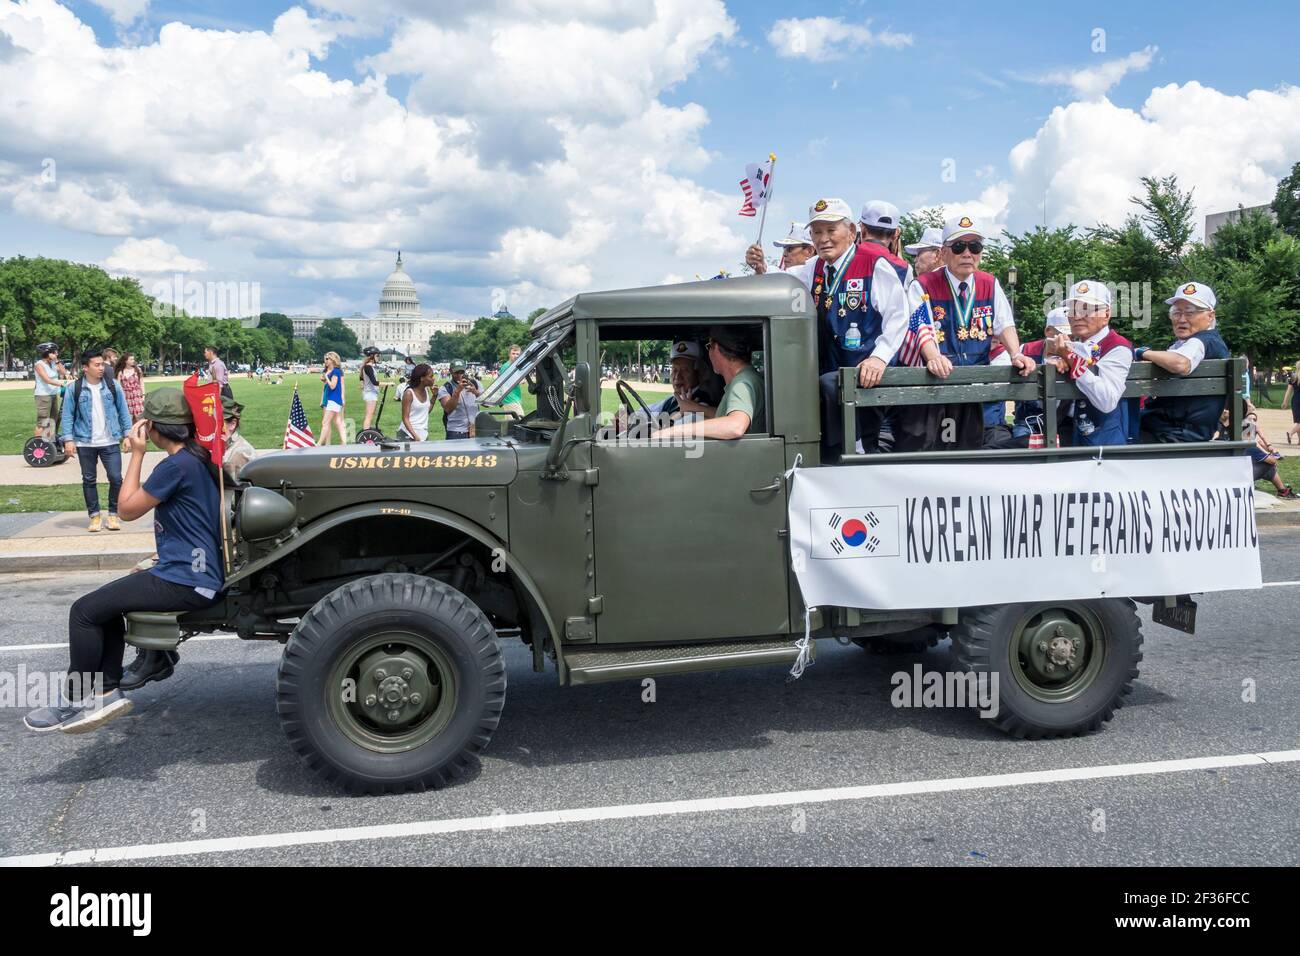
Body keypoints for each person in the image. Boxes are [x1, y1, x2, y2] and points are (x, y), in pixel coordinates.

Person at [25, 389, 224, 728]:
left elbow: (127, 509)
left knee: (83, 612)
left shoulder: (175, 466)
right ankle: (105, 694)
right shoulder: (198, 458)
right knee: (105, 609)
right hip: (190, 572)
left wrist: (136, 454)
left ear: (153, 427)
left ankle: (73, 700)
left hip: (186, 579)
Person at [745, 197, 910, 462]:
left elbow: (898, 316)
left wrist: (879, 358)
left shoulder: (873, 264)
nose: (823, 239)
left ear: (852, 232)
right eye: (817, 232)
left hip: (866, 374)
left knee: (829, 391)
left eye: (831, 230)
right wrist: (761, 268)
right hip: (831, 372)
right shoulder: (814, 267)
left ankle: (855, 453)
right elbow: (781, 284)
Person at [901, 214, 1036, 451]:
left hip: (976, 390)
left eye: (975, 246)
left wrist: (1016, 354)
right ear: (943, 253)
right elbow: (920, 325)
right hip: (937, 388)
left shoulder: (989, 283)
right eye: (959, 246)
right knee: (935, 453)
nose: (967, 253)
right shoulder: (922, 285)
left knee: (974, 453)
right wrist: (933, 356)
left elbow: (1004, 324)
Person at [1042, 281, 1134, 446]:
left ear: (1106, 315)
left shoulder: (1118, 347)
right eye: (1073, 310)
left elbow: (1107, 401)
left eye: (1087, 309)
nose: (1077, 316)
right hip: (1067, 432)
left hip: (1100, 443)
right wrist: (1056, 359)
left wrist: (1070, 358)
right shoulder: (1074, 344)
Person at [1136, 282, 1229, 443]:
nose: (1182, 319)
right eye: (1176, 312)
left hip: (1174, 433)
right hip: (1175, 429)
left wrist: (1142, 352)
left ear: (1210, 316)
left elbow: (1181, 364)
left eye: (1190, 313)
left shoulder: (1200, 342)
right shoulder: (1196, 342)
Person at [61, 347, 133, 533]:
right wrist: (68, 440)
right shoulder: (74, 388)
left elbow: (123, 411)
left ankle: (113, 513)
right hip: (85, 442)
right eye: (97, 365)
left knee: (116, 478)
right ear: (86, 367)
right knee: (89, 479)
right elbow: (67, 416)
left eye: (102, 364)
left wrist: (127, 435)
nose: (102, 368)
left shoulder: (112, 385)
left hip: (110, 440)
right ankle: (94, 516)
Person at [655, 326, 764, 440]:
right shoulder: (748, 377)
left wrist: (674, 431)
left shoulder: (741, 384)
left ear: (715, 348)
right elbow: (725, 416)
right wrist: (694, 407)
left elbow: (735, 426)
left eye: (709, 347)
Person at [1215, 407, 1297, 499]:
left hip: (1224, 472)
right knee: (1268, 466)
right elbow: (1272, 461)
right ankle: (1283, 491)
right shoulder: (1249, 444)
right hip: (1236, 476)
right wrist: (1271, 453)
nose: (1253, 422)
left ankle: (1282, 490)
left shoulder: (1228, 435)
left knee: (1261, 461)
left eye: (1255, 420)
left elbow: (1262, 440)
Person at [33, 342, 69, 439]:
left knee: (53, 419)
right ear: (48, 353)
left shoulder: (53, 363)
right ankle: (38, 444)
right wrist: (63, 384)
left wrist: (57, 361)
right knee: (43, 421)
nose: (57, 354)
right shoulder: (39, 365)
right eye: (55, 352)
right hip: (43, 396)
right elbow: (47, 380)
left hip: (53, 395)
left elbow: (63, 372)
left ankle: (49, 442)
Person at [439, 361, 481, 440]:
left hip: (475, 429)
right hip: (455, 431)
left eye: (462, 372)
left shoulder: (476, 383)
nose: (459, 375)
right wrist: (457, 391)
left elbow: (487, 404)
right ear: (451, 371)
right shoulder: (446, 388)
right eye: (456, 372)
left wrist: (476, 392)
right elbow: (448, 409)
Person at [221, 395, 256, 482]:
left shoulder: (240, 453)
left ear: (232, 424)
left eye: (217, 422)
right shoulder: (223, 446)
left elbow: (231, 492)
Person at [398, 363, 434, 441]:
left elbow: (425, 412)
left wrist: (434, 396)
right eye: (431, 376)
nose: (433, 379)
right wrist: (415, 436)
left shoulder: (426, 390)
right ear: (422, 378)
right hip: (408, 434)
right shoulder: (409, 393)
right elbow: (405, 418)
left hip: (423, 434)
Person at [318, 351, 345, 444]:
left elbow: (341, 385)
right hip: (327, 395)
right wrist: (322, 399)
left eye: (327, 359)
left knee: (336, 420)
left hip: (335, 397)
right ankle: (327, 443)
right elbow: (325, 386)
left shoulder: (337, 371)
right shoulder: (325, 370)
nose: (325, 361)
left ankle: (343, 442)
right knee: (327, 421)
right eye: (325, 359)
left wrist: (342, 397)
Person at [116, 351, 146, 421]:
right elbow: (118, 387)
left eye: (133, 359)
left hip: (137, 396)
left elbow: (141, 382)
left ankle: (142, 432)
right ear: (126, 361)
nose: (133, 361)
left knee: (140, 418)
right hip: (126, 398)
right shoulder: (121, 372)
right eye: (131, 359)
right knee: (128, 418)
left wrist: (143, 395)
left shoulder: (137, 370)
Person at [497, 344, 526, 418]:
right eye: (513, 353)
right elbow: (502, 383)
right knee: (520, 421)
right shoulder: (506, 367)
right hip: (510, 399)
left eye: (517, 354)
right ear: (509, 354)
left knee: (510, 425)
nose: (515, 356)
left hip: (514, 398)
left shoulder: (514, 366)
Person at [359, 346, 382, 429]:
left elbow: (361, 378)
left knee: (370, 415)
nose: (378, 358)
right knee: (369, 416)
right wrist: (387, 383)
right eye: (377, 356)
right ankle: (366, 433)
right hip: (370, 393)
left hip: (372, 393)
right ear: (372, 356)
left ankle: (367, 431)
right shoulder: (368, 367)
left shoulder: (369, 366)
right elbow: (374, 382)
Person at [1283, 368, 1300, 444]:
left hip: (1295, 400)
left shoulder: (1293, 377)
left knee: (1298, 422)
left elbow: (1289, 390)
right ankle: (1290, 434)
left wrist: (1285, 402)